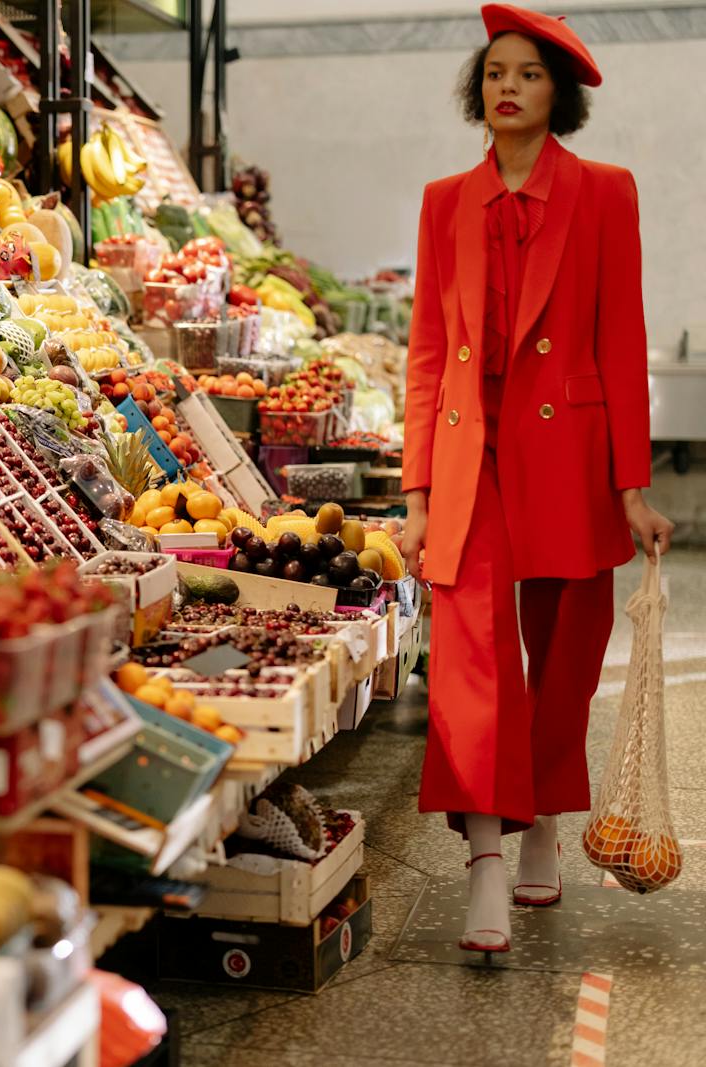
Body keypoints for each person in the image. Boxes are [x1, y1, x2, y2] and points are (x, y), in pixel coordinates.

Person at [401, 4, 675, 956]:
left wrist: (632, 484)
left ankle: (547, 820)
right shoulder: (445, 200)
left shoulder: (606, 192)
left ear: (558, 94)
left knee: (562, 652)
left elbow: (620, 337)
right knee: (473, 663)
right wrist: (416, 496)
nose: (505, 87)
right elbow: (428, 351)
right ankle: (484, 857)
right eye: (493, 73)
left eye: (527, 73)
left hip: (570, 454)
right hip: (470, 453)